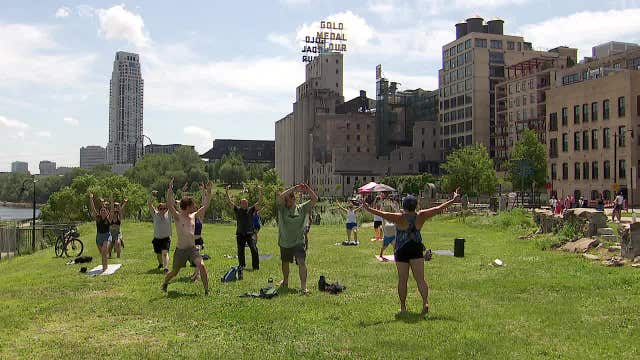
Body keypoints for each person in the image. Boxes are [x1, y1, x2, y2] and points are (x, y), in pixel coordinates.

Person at [363, 188, 460, 315]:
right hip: (416, 249)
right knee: (420, 279)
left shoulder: (399, 217)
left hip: (401, 250)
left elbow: (383, 214)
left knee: (402, 279)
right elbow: (438, 209)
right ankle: (425, 302)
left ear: (404, 206)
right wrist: (453, 200)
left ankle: (403, 307)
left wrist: (367, 208)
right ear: (416, 206)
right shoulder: (421, 215)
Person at [161, 179, 213, 295]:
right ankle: (165, 283)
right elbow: (169, 204)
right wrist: (170, 189)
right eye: (192, 205)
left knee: (202, 266)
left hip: (192, 249)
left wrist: (209, 192)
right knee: (174, 272)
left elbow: (205, 206)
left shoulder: (193, 216)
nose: (195, 207)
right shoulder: (178, 217)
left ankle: (206, 291)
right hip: (180, 251)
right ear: (187, 206)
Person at [277, 183, 318, 294]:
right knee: (285, 263)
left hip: (298, 241)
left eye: (289, 198)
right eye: (286, 199)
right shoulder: (282, 208)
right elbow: (280, 197)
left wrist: (307, 189)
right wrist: (294, 188)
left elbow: (315, 198)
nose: (287, 201)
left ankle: (303, 287)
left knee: (301, 262)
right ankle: (285, 281)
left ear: (294, 199)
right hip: (285, 241)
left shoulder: (302, 208)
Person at [226, 185, 263, 270]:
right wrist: (226, 192)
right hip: (240, 234)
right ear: (240, 204)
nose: (245, 204)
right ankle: (242, 265)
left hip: (250, 234)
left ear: (247, 204)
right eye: (243, 203)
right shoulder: (237, 210)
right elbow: (229, 202)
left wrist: (261, 192)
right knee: (240, 251)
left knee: (254, 249)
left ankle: (256, 267)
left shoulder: (251, 210)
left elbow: (259, 202)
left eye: (246, 203)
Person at [149, 190, 172, 273]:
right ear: (158, 209)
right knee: (159, 254)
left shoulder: (168, 214)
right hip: (157, 239)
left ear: (166, 209)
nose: (162, 210)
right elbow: (150, 204)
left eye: (164, 208)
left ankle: (166, 268)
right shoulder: (155, 214)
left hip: (166, 238)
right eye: (160, 208)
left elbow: (171, 204)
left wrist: (169, 192)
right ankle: (161, 264)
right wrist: (151, 195)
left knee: (165, 253)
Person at [89, 193, 111, 273]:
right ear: (100, 212)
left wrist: (111, 198)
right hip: (98, 237)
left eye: (104, 210)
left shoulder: (109, 218)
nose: (102, 211)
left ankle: (104, 269)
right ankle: (105, 265)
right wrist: (91, 198)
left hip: (107, 236)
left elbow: (111, 209)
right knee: (102, 254)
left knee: (104, 251)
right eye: (101, 210)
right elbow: (92, 208)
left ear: (107, 212)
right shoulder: (98, 218)